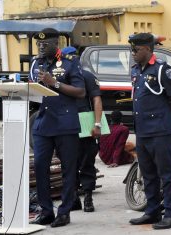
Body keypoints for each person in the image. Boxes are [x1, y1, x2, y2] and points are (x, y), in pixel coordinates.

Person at [30, 28, 85, 227]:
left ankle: (65, 212)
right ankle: (46, 211)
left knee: (68, 169)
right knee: (40, 166)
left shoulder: (70, 62)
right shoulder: (36, 63)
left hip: (65, 123)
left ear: (56, 44)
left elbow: (80, 92)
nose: (41, 47)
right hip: (43, 122)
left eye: (45, 44)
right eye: (38, 44)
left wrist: (55, 83)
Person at [128, 33, 171, 230]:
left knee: (166, 174)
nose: (133, 53)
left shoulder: (161, 70)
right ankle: (152, 211)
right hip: (142, 130)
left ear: (148, 49)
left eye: (136, 49)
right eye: (131, 49)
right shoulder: (135, 71)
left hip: (160, 129)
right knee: (149, 173)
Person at [61, 46, 103, 213]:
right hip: (66, 126)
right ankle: (75, 199)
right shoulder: (61, 77)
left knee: (86, 163)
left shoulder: (86, 76)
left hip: (85, 125)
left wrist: (97, 124)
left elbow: (97, 100)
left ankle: (87, 198)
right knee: (70, 165)